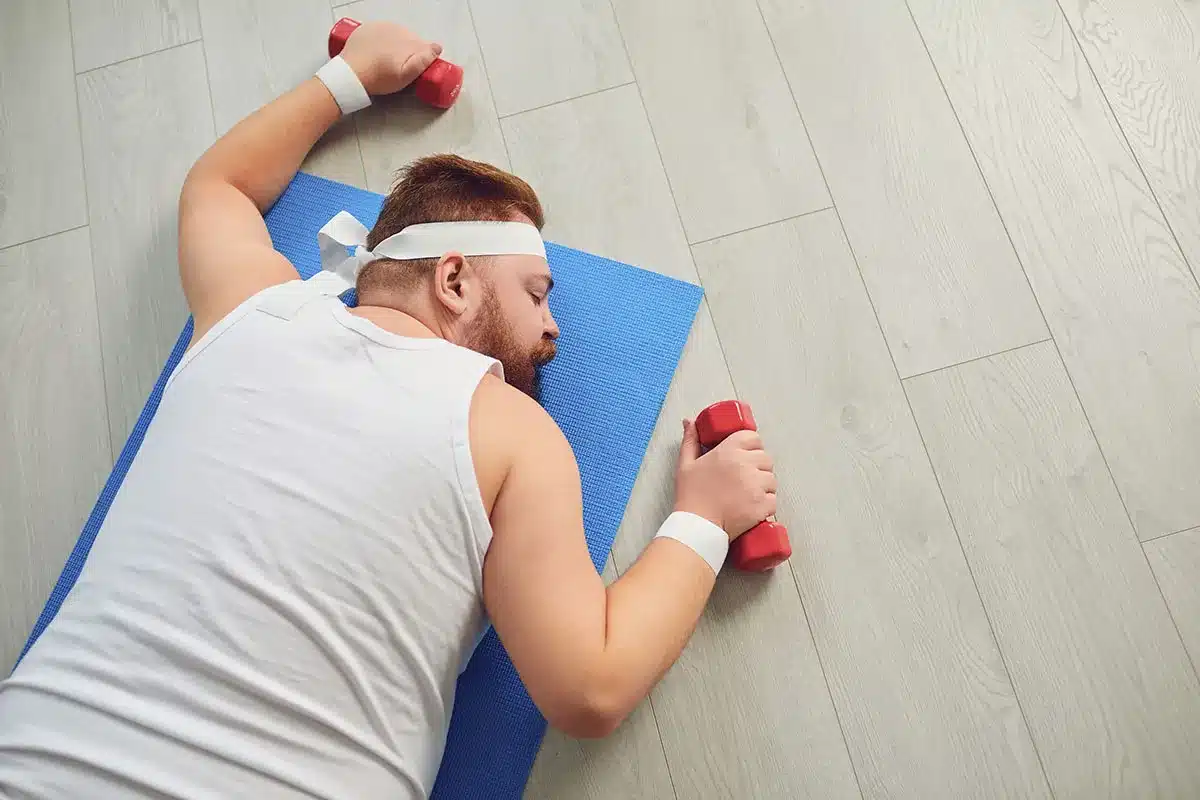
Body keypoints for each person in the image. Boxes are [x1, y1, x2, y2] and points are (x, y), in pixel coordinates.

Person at [0, 20, 778, 799]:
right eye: (537, 294)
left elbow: (218, 187)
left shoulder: (250, 309)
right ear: (453, 279)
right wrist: (704, 518)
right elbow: (589, 688)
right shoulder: (509, 431)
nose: (554, 329)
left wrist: (349, 78)